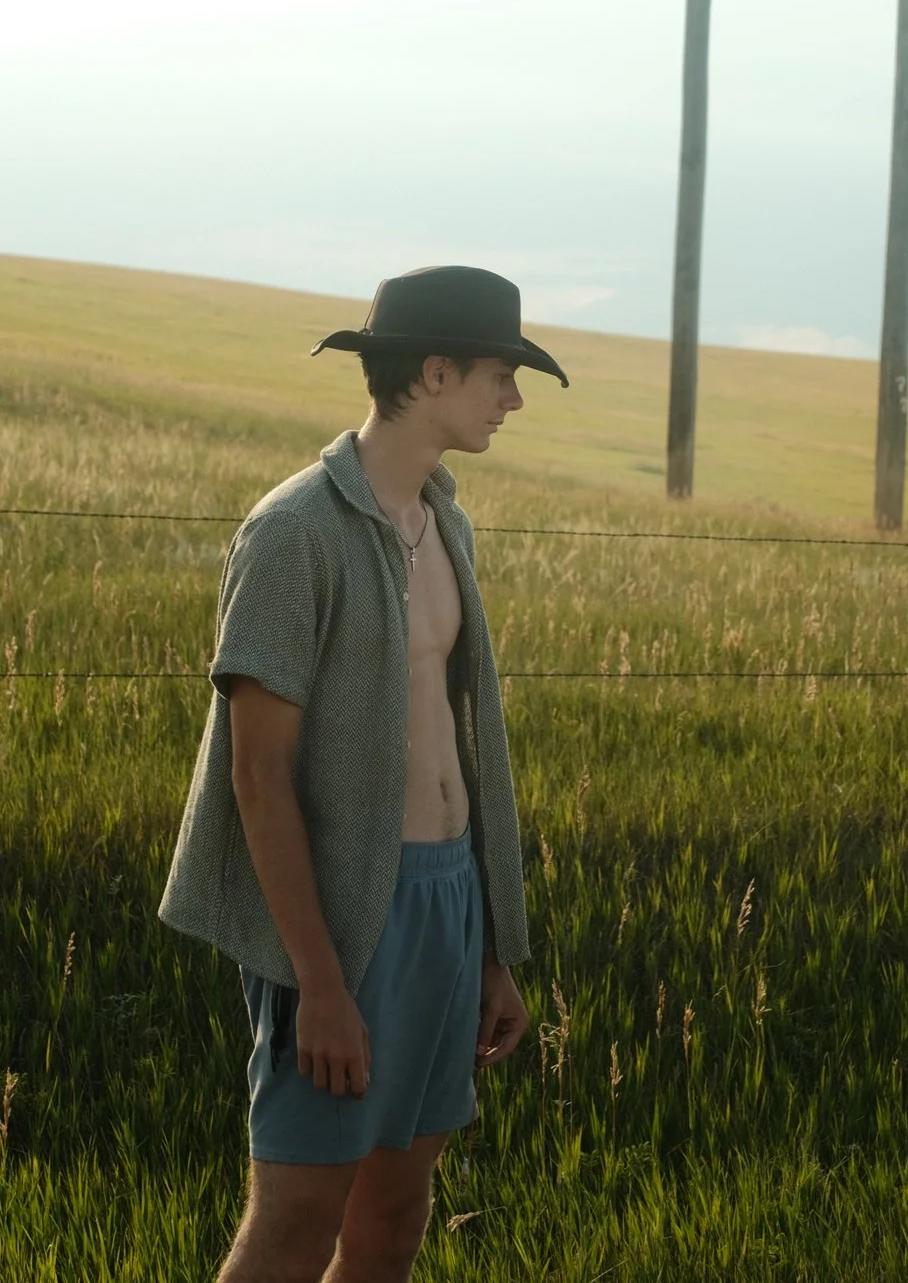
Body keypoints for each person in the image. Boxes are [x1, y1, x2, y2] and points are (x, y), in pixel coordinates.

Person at [159, 266, 569, 1283]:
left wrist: (489, 952)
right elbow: (259, 777)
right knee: (298, 1219)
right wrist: (321, 984)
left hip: (448, 901)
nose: (514, 400)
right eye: (502, 375)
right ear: (435, 373)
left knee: (394, 1214)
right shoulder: (293, 533)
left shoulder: (445, 521)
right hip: (343, 919)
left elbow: (449, 743)